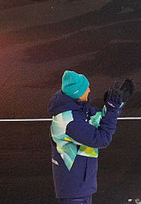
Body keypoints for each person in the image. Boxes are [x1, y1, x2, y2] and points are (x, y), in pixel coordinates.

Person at [48, 70, 134, 204]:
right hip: (74, 188)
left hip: (80, 185)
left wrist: (117, 104)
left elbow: (97, 119)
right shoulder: (68, 122)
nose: (89, 90)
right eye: (85, 88)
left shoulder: (77, 110)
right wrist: (111, 109)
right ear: (77, 93)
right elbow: (101, 139)